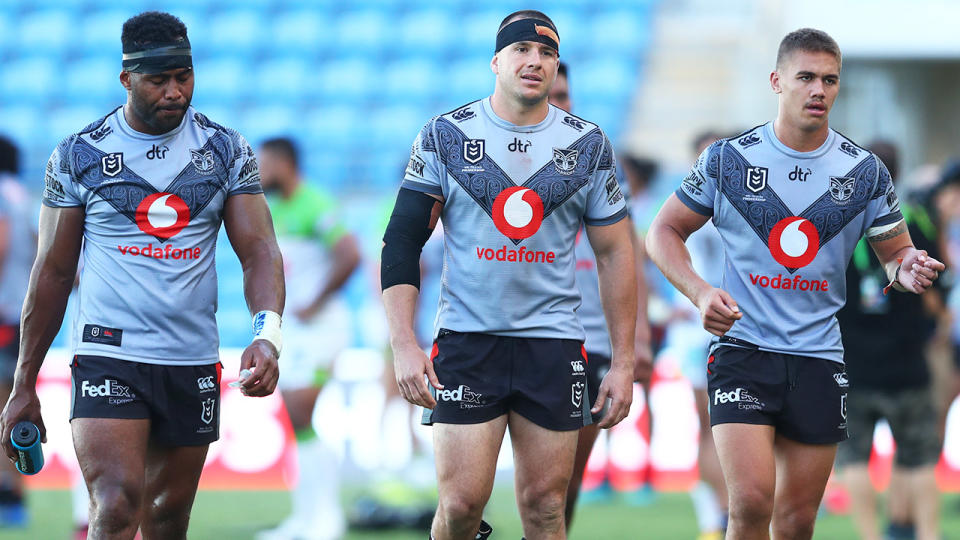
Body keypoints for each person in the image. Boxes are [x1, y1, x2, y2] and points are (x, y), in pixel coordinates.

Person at [645, 28, 945, 539]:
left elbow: (894, 256)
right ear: (776, 81)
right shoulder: (728, 160)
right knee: (751, 502)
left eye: (830, 80)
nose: (818, 90)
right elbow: (662, 231)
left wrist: (908, 269)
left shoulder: (864, 172)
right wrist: (699, 291)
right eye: (805, 77)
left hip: (819, 356)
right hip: (743, 348)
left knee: (796, 518)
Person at [0, 12, 284, 540]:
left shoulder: (226, 151)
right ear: (127, 79)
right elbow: (54, 272)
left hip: (190, 357)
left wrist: (267, 334)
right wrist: (24, 381)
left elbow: (260, 251)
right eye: (159, 80)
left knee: (168, 518)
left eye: (184, 76)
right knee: (115, 503)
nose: (175, 92)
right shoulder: (80, 154)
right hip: (109, 351)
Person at [381, 10, 638, 540]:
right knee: (459, 507)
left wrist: (625, 361)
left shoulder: (587, 145)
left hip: (553, 344)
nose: (535, 61)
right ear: (496, 61)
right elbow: (403, 240)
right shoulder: (446, 136)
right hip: (469, 344)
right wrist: (404, 344)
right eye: (522, 50)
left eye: (547, 54)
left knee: (546, 508)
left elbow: (616, 254)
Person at [547, 61, 653, 531]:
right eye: (551, 93)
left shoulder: (595, 161)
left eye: (564, 94)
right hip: (515, 336)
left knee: (565, 478)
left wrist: (640, 338)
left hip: (590, 339)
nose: (557, 103)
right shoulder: (493, 163)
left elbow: (630, 256)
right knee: (486, 478)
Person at [835, 140, 944, 540]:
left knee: (856, 460)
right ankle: (929, 535)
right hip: (907, 361)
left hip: (853, 362)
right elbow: (938, 286)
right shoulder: (916, 219)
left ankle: (871, 537)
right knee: (918, 459)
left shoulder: (840, 222)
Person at [256, 137, 361, 540]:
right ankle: (306, 517)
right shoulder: (276, 209)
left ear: (284, 164)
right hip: (295, 329)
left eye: (264, 164)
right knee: (296, 419)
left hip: (323, 327)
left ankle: (328, 518)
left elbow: (349, 253)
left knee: (301, 411)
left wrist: (316, 301)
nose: (260, 173)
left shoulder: (314, 203)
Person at [663, 130, 728, 540]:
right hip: (715, 327)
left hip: (698, 325)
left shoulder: (682, 205)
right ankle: (720, 513)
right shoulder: (725, 206)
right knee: (716, 427)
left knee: (714, 428)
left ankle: (717, 517)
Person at [0, 135, 37, 528]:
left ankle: (8, 490)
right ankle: (15, 492)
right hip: (21, 310)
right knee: (12, 401)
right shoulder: (22, 194)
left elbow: (2, 244)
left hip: (3, 310)